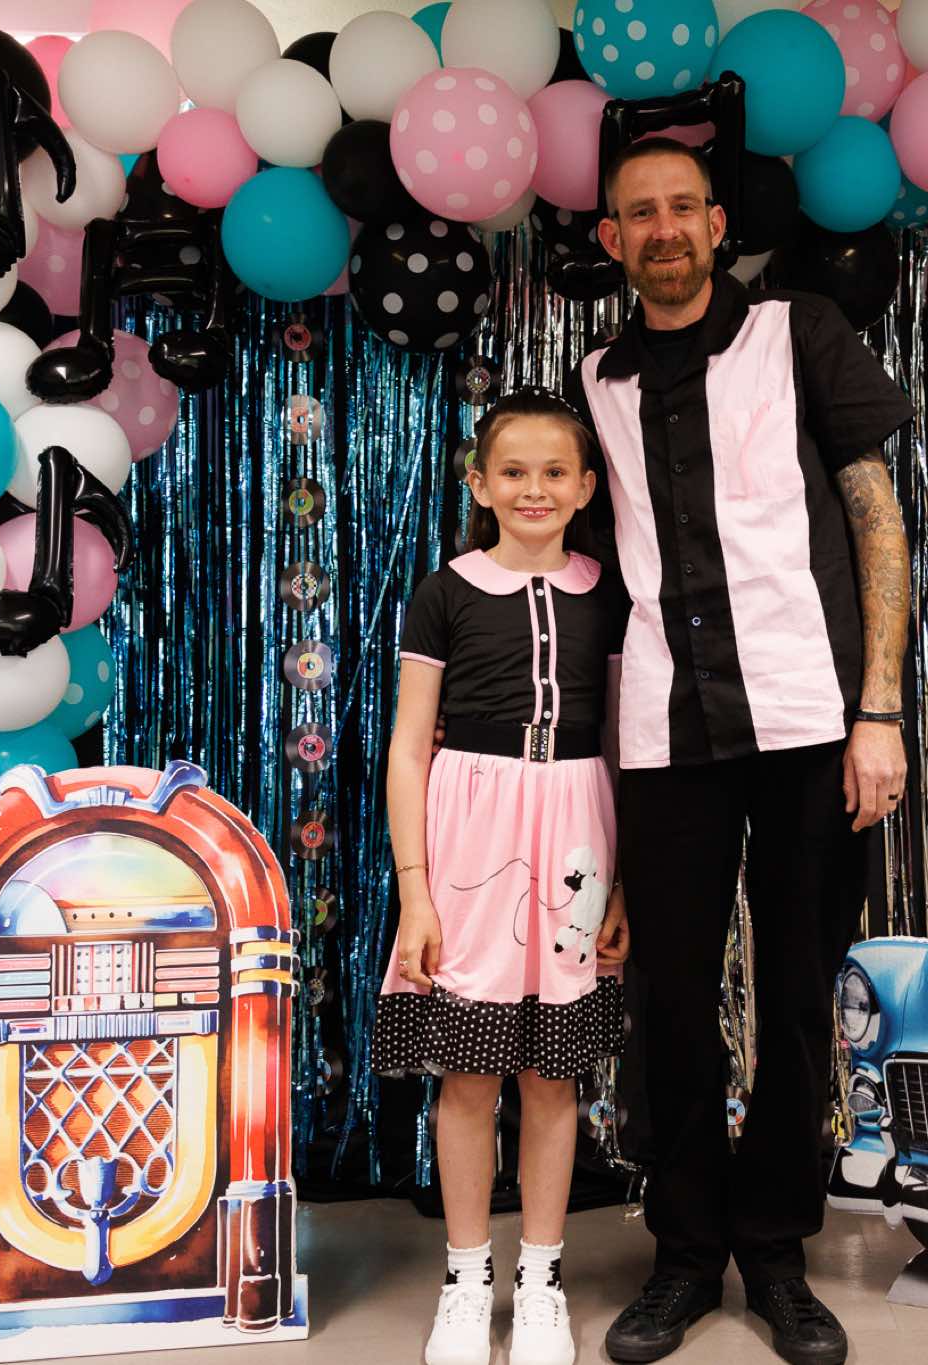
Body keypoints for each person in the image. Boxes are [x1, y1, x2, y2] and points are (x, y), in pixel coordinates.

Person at [568, 139, 914, 1365]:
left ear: (717, 225)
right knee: (666, 998)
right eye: (638, 213)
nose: (662, 229)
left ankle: (774, 1250)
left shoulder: (798, 330)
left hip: (813, 720)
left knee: (798, 990)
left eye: (681, 208)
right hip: (665, 729)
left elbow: (876, 520)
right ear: (611, 239)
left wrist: (879, 712)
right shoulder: (595, 378)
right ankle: (682, 1253)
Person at [377, 388, 634, 1365]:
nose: (534, 488)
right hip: (469, 837)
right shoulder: (444, 591)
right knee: (469, 1074)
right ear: (479, 484)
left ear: (586, 486)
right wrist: (415, 889)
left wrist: (622, 884)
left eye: (554, 471)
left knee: (553, 1076)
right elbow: (410, 746)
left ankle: (540, 1280)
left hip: (576, 832)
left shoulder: (608, 592)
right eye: (513, 471)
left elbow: (623, 744)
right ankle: (464, 1277)